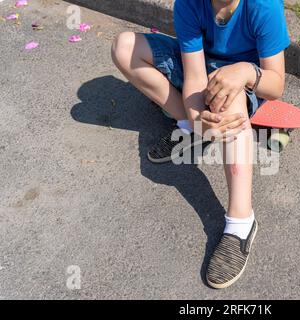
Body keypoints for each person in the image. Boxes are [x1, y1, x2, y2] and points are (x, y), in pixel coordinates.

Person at [111, 0, 290, 289]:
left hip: (246, 82)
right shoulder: (189, 3)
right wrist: (197, 120)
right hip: (202, 70)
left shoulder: (264, 6)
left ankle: (241, 223)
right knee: (124, 46)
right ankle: (191, 131)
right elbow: (194, 75)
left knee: (228, 98)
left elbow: (276, 85)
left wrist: (244, 71)